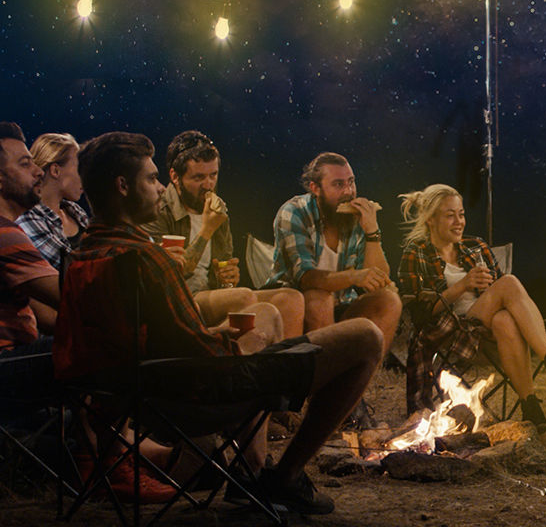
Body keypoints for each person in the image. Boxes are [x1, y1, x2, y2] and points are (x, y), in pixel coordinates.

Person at [58, 132, 384, 514]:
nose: (160, 187)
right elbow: (202, 357)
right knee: (365, 337)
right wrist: (246, 346)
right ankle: (284, 477)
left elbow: (150, 337)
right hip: (196, 396)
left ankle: (250, 472)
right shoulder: (145, 258)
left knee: (263, 314)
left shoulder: (84, 255)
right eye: (151, 178)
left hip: (139, 390)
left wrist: (215, 333)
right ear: (123, 186)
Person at [396, 184, 546, 426]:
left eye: (461, 214)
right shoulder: (416, 253)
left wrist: (486, 289)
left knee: (505, 319)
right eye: (449, 215)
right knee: (508, 282)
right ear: (431, 220)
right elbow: (421, 315)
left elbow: (503, 297)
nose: (459, 222)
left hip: (482, 330)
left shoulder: (476, 246)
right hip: (445, 332)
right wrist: (462, 285)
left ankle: (531, 408)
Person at [142, 131, 304, 339]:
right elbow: (168, 277)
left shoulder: (218, 211)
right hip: (179, 300)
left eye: (213, 175)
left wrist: (227, 278)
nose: (208, 185)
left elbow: (223, 272)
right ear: (175, 176)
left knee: (291, 299)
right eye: (198, 177)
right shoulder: (157, 210)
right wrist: (207, 229)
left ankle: (284, 366)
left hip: (208, 294)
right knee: (243, 298)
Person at [264, 152, 401, 344]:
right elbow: (306, 278)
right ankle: (323, 368)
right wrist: (354, 276)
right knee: (320, 298)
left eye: (351, 182)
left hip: (342, 304)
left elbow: (380, 280)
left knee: (388, 301)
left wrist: (372, 232)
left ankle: (366, 371)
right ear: (315, 188)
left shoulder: (356, 217)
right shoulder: (294, 212)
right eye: (338, 184)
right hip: (297, 303)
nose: (348, 191)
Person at [0, 122, 58, 363]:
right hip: (8, 361)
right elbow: (72, 296)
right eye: (25, 164)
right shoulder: (4, 234)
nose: (38, 171)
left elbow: (48, 317)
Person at [16, 133, 89, 271]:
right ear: (55, 170)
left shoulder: (75, 211)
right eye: (79, 168)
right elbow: (72, 271)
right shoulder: (28, 218)